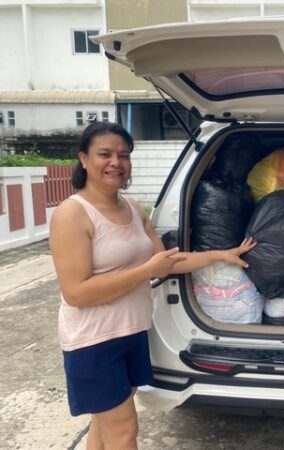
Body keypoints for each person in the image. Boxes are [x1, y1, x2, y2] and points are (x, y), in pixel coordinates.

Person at [49, 121, 256, 450]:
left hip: (131, 332)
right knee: (124, 432)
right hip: (94, 340)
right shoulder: (72, 214)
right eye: (105, 154)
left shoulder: (132, 208)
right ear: (84, 158)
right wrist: (146, 270)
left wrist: (221, 255)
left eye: (123, 155)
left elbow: (167, 262)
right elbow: (76, 292)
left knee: (104, 425)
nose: (116, 162)